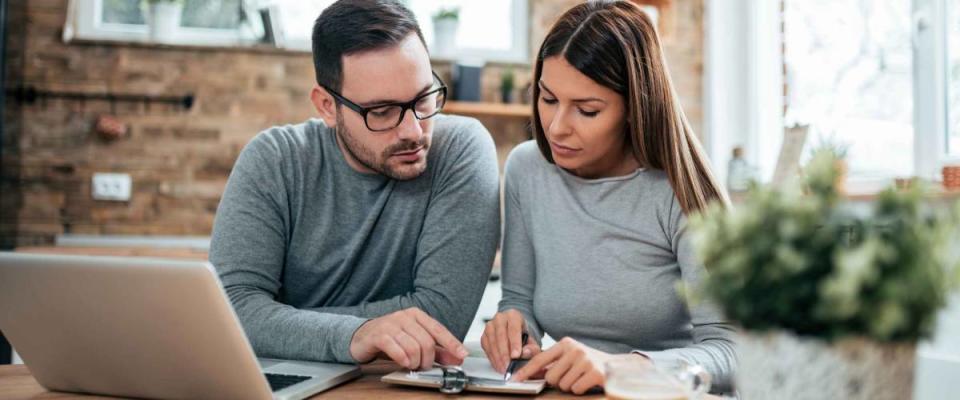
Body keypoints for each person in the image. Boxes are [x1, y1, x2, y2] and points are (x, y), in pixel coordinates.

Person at [210, 0, 501, 371]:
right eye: (382, 112)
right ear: (328, 106)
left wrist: (281, 323)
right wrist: (356, 334)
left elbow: (441, 319)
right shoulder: (275, 160)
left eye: (424, 98)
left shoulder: (460, 149)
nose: (414, 131)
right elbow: (232, 310)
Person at [481, 0, 736, 394]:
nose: (556, 128)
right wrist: (514, 329)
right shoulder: (526, 170)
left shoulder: (681, 190)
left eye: (587, 110)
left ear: (635, 108)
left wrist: (622, 368)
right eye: (548, 100)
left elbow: (732, 351)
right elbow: (519, 301)